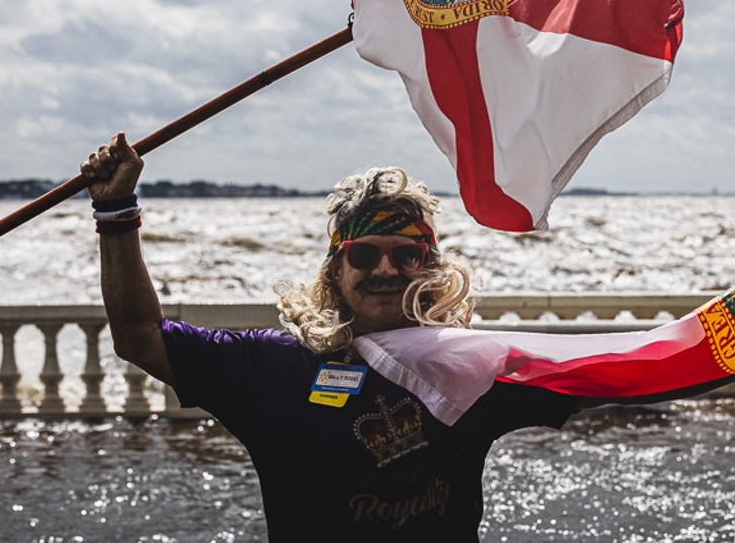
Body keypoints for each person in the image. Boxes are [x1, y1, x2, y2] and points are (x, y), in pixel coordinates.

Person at [81, 132, 578, 541]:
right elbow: (139, 336)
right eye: (364, 255)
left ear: (428, 269)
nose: (385, 270)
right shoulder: (272, 369)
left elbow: (612, 373)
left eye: (405, 255)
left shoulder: (468, 368)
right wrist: (117, 212)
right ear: (336, 270)